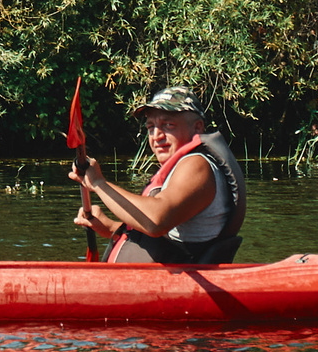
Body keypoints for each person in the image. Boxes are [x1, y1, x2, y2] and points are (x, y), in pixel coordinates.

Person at [68, 86, 245, 265]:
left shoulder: (198, 165)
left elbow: (156, 221)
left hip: (178, 289)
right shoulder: (182, 167)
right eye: (151, 127)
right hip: (152, 285)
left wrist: (98, 183)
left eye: (168, 125)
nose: (156, 136)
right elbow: (168, 241)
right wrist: (109, 227)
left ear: (197, 128)